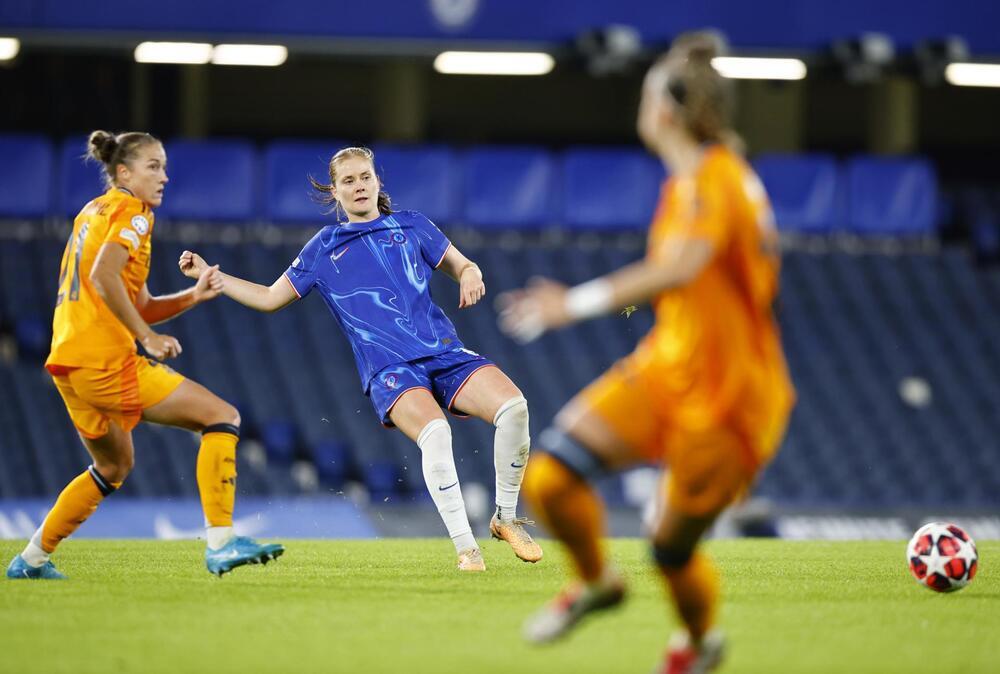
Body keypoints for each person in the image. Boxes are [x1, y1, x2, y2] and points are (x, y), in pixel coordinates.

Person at [498, 32, 795, 673]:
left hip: (729, 401)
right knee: (549, 479)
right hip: (667, 369)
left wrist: (569, 304)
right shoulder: (688, 184)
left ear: (666, 111)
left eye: (644, 95)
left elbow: (682, 266)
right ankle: (600, 582)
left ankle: (699, 643)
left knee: (671, 551)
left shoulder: (718, 181)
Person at [178, 146, 541, 572]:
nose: (359, 186)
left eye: (364, 177)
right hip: (390, 368)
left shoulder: (413, 225)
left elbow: (463, 265)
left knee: (515, 408)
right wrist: (216, 278)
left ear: (377, 182)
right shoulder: (323, 248)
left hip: (444, 353)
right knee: (436, 435)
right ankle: (468, 550)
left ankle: (505, 518)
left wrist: (471, 272)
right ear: (334, 192)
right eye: (348, 181)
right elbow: (270, 297)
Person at [6, 131, 284, 580]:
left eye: (164, 167)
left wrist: (192, 297)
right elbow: (104, 276)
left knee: (113, 466)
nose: (164, 177)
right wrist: (146, 337)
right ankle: (221, 542)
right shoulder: (134, 213)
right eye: (153, 166)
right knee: (222, 417)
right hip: (104, 361)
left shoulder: (92, 212)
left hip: (68, 363)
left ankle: (32, 560)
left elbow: (134, 298)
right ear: (123, 172)